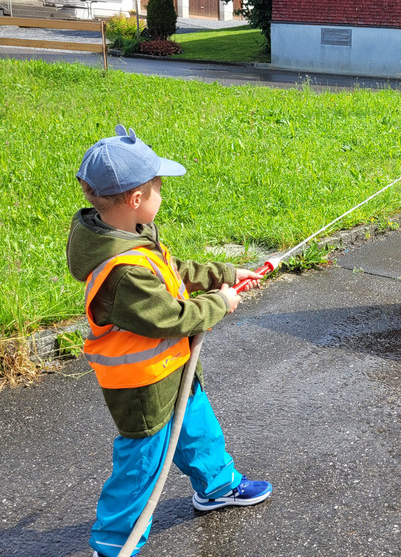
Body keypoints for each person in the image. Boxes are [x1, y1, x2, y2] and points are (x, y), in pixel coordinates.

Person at [66, 125, 269, 557]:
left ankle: (217, 487)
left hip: (172, 369)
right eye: (158, 185)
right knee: (142, 465)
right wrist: (222, 303)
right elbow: (172, 317)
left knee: (197, 426)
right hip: (142, 387)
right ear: (136, 198)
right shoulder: (122, 272)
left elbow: (172, 270)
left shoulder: (130, 234)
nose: (163, 192)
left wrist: (227, 275)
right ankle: (113, 544)